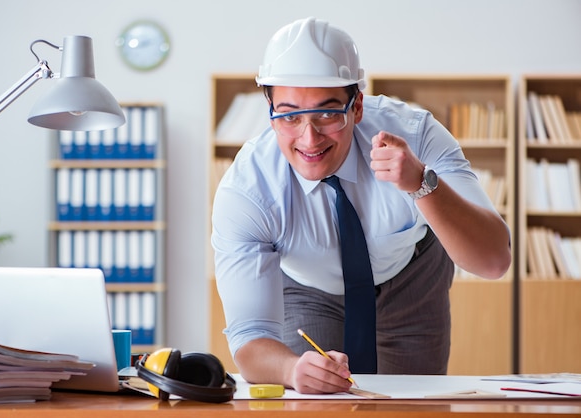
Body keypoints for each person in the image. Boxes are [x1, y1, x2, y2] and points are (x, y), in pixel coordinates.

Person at [211, 17, 511, 395]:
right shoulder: (249, 190)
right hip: (307, 287)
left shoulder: (416, 135)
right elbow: (250, 336)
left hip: (411, 275)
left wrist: (422, 184)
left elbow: (494, 260)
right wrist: (290, 370)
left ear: (357, 107)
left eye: (326, 113)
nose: (309, 138)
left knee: (414, 403)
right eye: (289, 115)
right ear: (270, 110)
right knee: (315, 396)